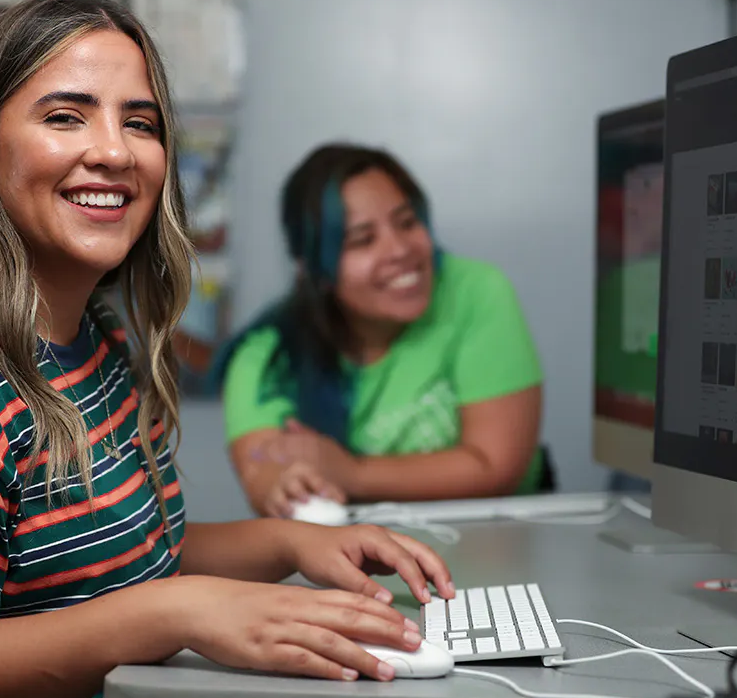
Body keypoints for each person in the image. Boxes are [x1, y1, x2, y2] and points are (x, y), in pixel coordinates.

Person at [0, 0, 455, 698]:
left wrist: (298, 543)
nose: (116, 152)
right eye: (65, 116)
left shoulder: (94, 339)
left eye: (140, 123)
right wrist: (174, 611)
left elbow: (136, 557)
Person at [218, 143, 547, 519]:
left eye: (407, 222)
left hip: (501, 536)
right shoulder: (265, 359)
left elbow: (495, 467)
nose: (400, 250)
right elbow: (262, 470)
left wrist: (352, 472)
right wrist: (284, 483)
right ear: (314, 269)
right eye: (363, 240)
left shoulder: (476, 291)